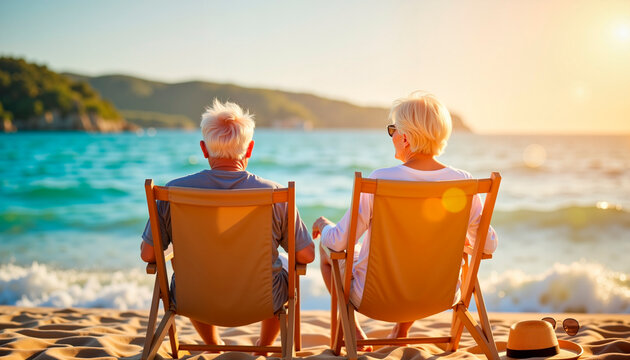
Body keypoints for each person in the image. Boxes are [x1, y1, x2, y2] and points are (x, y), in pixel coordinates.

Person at [312, 91, 498, 344]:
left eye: (393, 131)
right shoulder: (463, 182)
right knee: (418, 253)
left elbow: (337, 243)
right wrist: (459, 241)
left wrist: (323, 224)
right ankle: (401, 330)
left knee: (326, 252)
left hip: (373, 300)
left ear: (406, 138)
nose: (392, 137)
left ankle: (352, 326)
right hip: (440, 298)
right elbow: (487, 246)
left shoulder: (380, 180)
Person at [140, 99, 315, 350]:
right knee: (287, 269)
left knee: (188, 266)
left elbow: (148, 254)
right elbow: (306, 255)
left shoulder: (172, 192)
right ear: (250, 148)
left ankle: (212, 344)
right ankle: (265, 345)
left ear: (204, 148)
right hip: (264, 300)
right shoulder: (276, 195)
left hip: (193, 299)